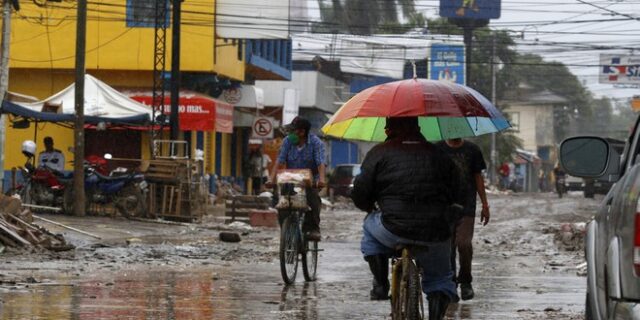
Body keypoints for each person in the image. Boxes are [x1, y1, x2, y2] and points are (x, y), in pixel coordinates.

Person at [351, 117, 461, 319]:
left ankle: (381, 285)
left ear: (391, 129)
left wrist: (368, 206)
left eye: (387, 125)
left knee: (369, 227)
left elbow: (360, 191)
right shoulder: (440, 155)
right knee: (440, 279)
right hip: (435, 232)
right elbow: (457, 193)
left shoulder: (379, 152)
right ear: (417, 128)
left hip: (392, 229)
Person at [436, 138, 490, 301]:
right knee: (448, 248)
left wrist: (485, 204)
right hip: (444, 206)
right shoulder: (437, 149)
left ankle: (465, 281)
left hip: (467, 206)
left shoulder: (472, 150)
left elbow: (478, 177)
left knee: (464, 244)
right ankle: (451, 283)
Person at [268, 116, 326, 241]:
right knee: (281, 201)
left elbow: (320, 162)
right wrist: (270, 179)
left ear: (302, 132)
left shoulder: (316, 143)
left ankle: (313, 228)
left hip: (310, 180)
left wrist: (321, 179)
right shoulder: (288, 141)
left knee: (313, 199)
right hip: (291, 177)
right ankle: (286, 227)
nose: (290, 133)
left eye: (293, 130)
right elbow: (279, 160)